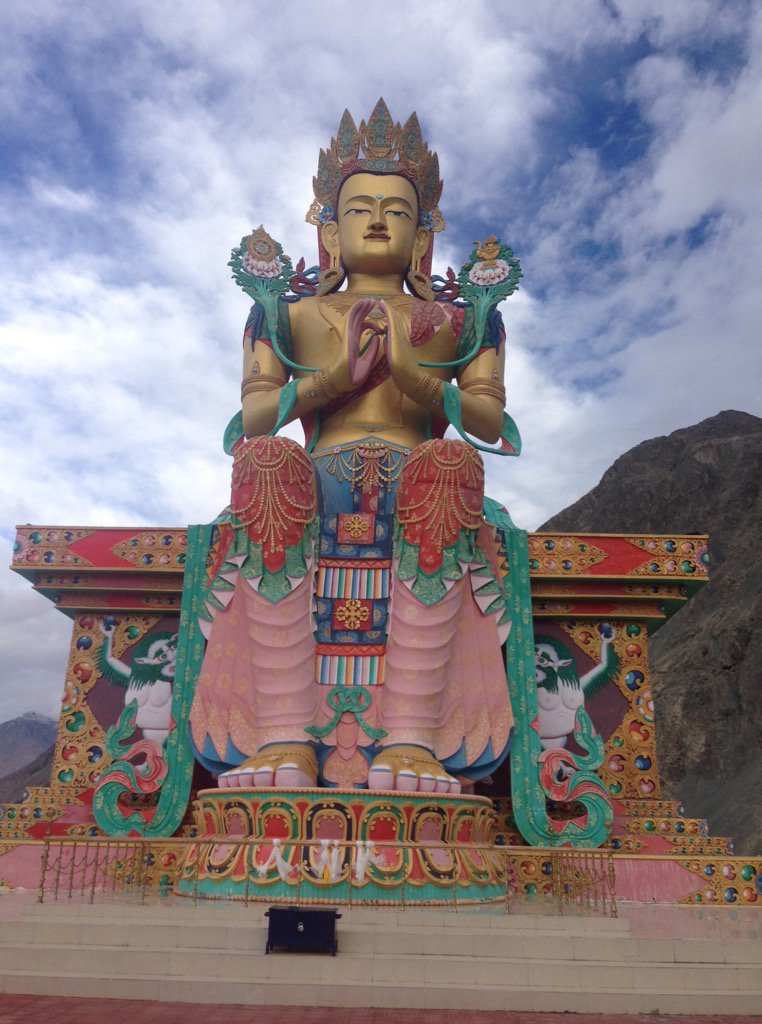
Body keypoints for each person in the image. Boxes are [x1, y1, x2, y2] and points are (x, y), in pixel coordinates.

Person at [189, 101, 516, 793]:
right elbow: (252, 421)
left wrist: (417, 382)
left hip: (426, 478)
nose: (376, 218)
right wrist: (334, 380)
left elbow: (490, 424)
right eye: (360, 207)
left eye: (397, 210)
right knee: (266, 461)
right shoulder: (291, 313)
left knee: (453, 460)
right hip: (315, 478)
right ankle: (282, 736)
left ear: (422, 232)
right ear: (330, 231)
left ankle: (411, 741)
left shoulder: (461, 319)